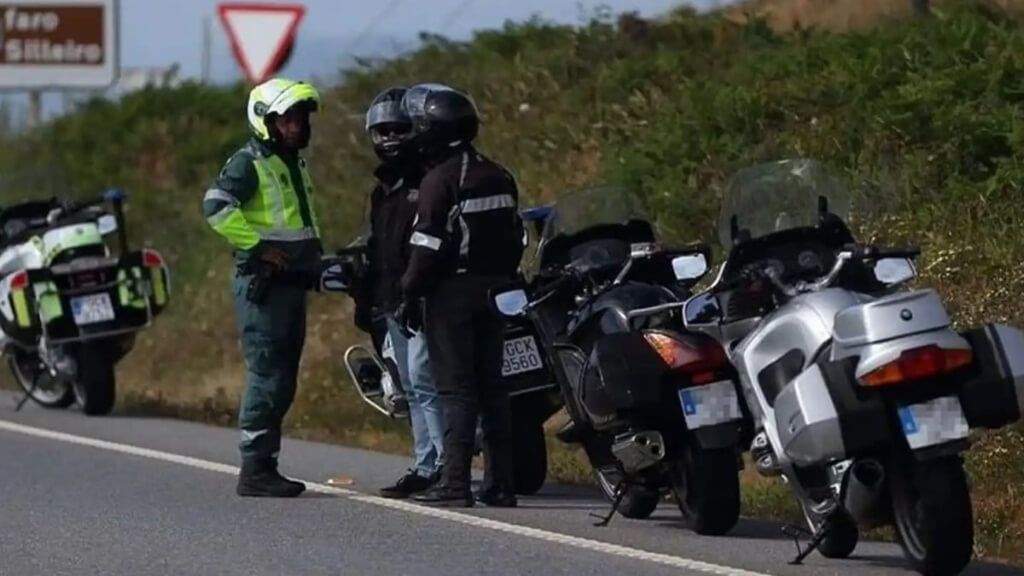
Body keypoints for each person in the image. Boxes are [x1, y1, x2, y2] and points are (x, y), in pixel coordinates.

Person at [397, 83, 525, 508]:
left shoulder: (440, 180)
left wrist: (409, 293)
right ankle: (501, 483)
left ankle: (455, 483)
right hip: (499, 292)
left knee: (456, 390)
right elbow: (517, 236)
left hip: (453, 295)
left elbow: (427, 247)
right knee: (494, 388)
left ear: (430, 131)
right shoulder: (499, 173)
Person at [202, 78, 323, 498]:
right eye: (288, 119)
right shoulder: (249, 162)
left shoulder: (292, 162)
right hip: (265, 288)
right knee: (269, 375)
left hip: (292, 286)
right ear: (265, 121)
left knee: (283, 378)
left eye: (302, 118)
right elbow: (216, 207)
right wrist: (257, 248)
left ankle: (264, 464)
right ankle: (255, 469)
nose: (298, 126)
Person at [358, 86, 446, 498]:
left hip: (424, 300)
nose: (390, 138)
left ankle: (443, 466)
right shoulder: (383, 189)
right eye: (382, 131)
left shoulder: (429, 180)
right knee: (411, 388)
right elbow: (379, 249)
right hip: (393, 301)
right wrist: (368, 298)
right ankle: (425, 463)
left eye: (399, 129)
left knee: (428, 384)